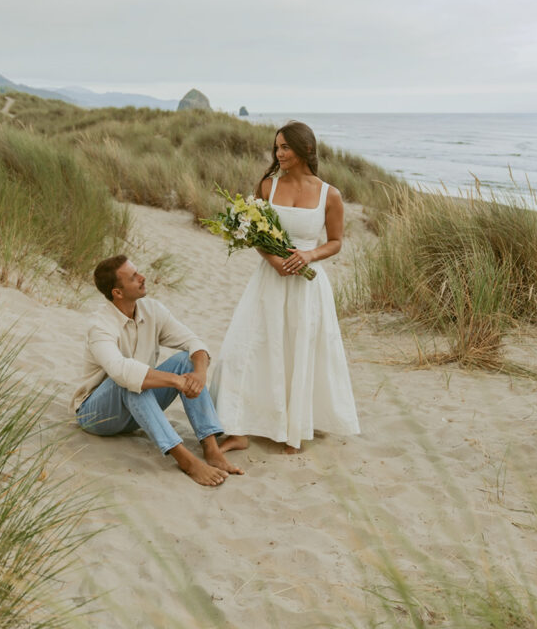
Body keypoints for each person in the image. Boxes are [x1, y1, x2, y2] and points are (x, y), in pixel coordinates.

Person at [210, 120, 360, 454]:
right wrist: (272, 258)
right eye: (277, 147)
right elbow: (252, 230)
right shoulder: (268, 186)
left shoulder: (329, 194)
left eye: (286, 147)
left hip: (307, 286)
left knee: (298, 351)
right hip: (269, 280)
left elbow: (335, 242)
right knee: (247, 348)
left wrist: (308, 255)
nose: (279, 153)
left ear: (306, 149)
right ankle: (237, 428)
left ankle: (293, 429)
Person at [70, 255, 243, 486]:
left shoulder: (152, 310)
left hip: (139, 411)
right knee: (130, 380)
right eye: (133, 277)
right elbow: (121, 371)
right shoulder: (99, 325)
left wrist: (199, 374)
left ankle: (211, 448)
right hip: (97, 415)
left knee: (186, 360)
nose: (142, 278)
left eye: (138, 272)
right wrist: (176, 381)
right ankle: (186, 461)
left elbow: (194, 342)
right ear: (117, 293)